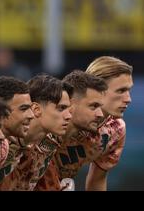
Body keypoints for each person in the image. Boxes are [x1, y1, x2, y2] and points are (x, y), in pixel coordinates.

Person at [37, 57, 133, 191]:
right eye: (121, 91)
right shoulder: (51, 118)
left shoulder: (115, 130)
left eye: (129, 90)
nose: (128, 99)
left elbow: (97, 181)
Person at [0, 74, 72, 190]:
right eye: (61, 108)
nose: (68, 116)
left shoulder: (50, 142)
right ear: (36, 109)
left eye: (68, 109)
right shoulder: (0, 141)